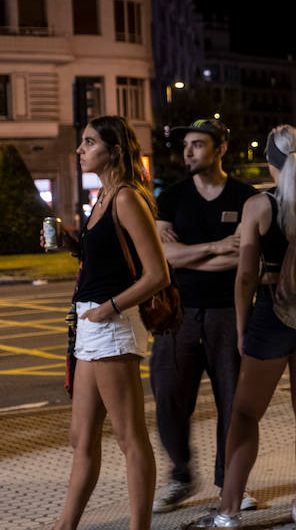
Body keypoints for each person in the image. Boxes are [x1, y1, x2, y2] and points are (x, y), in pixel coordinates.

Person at [192, 125, 296, 529]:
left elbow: (244, 278)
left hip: (271, 317)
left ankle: (228, 512)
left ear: (269, 162)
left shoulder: (258, 206)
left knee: (244, 414)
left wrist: (243, 330)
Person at [51, 116, 169, 530]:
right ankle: (65, 525)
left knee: (129, 438)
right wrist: (74, 246)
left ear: (114, 150)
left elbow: (157, 275)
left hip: (112, 325)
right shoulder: (102, 197)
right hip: (90, 326)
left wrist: (108, 308)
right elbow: (108, 260)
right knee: (81, 438)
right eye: (81, 142)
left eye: (88, 142)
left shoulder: (126, 199)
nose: (80, 150)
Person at [152, 118, 259, 513]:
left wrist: (192, 254)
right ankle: (180, 475)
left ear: (221, 149)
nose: (188, 152)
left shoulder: (246, 197)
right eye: (186, 145)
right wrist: (217, 248)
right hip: (177, 315)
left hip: (230, 315)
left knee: (233, 403)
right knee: (167, 397)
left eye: (197, 144)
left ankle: (229, 484)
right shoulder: (172, 197)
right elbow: (166, 258)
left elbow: (245, 257)